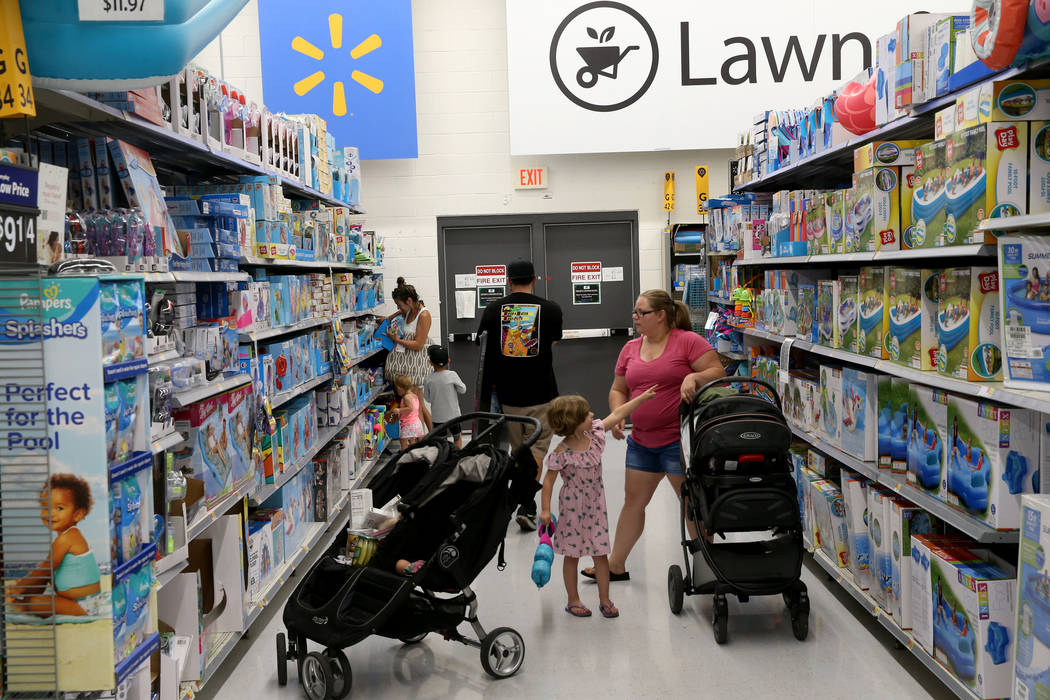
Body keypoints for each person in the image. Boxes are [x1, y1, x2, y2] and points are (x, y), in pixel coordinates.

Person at [582, 289, 724, 582]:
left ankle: (707, 568)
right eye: (634, 312)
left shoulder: (686, 341)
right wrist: (618, 413)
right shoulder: (631, 348)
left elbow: (718, 371)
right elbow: (618, 388)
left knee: (691, 505)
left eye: (641, 312)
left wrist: (694, 376)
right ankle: (615, 565)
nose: (635, 318)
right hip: (642, 442)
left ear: (661, 315)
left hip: (678, 442)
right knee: (633, 503)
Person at [540, 386, 657, 619]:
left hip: (595, 508)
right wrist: (545, 510)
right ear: (573, 423)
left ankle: (605, 599)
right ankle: (573, 600)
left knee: (601, 554)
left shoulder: (593, 434)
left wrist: (640, 399)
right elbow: (548, 482)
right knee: (572, 556)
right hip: (572, 511)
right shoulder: (561, 452)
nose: (592, 415)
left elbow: (616, 414)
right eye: (586, 414)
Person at [477, 259, 563, 531]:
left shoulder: (492, 310)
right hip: (542, 393)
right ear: (534, 279)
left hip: (508, 396)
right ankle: (526, 503)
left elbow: (486, 349)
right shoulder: (551, 309)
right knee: (537, 450)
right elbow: (552, 342)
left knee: (519, 450)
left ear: (508, 280)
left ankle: (521, 502)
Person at [9, 474, 102, 617]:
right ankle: (21, 598)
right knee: (42, 576)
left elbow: (46, 567)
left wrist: (20, 586)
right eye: (46, 507)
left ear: (77, 514)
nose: (50, 514)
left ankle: (24, 604)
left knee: (36, 601)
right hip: (70, 599)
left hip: (84, 605)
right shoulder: (64, 538)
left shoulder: (69, 538)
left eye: (59, 508)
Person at [385, 278, 433, 431]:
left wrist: (397, 339)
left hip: (416, 367)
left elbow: (418, 344)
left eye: (400, 305)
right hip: (408, 368)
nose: (399, 308)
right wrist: (386, 320)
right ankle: (436, 437)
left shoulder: (423, 315)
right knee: (420, 406)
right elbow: (394, 316)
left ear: (410, 300)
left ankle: (422, 440)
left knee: (416, 408)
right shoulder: (408, 311)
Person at [423, 345, 466, 447]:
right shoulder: (452, 375)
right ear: (449, 360)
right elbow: (463, 390)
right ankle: (457, 456)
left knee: (442, 441)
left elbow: (427, 398)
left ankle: (445, 458)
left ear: (430, 363)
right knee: (457, 436)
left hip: (438, 417)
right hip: (453, 415)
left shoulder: (428, 379)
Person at [390, 374, 425, 451]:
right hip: (416, 422)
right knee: (413, 441)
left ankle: (404, 455)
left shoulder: (406, 397)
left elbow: (410, 408)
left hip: (408, 424)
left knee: (403, 441)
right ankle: (414, 454)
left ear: (399, 388)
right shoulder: (414, 396)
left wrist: (399, 410)